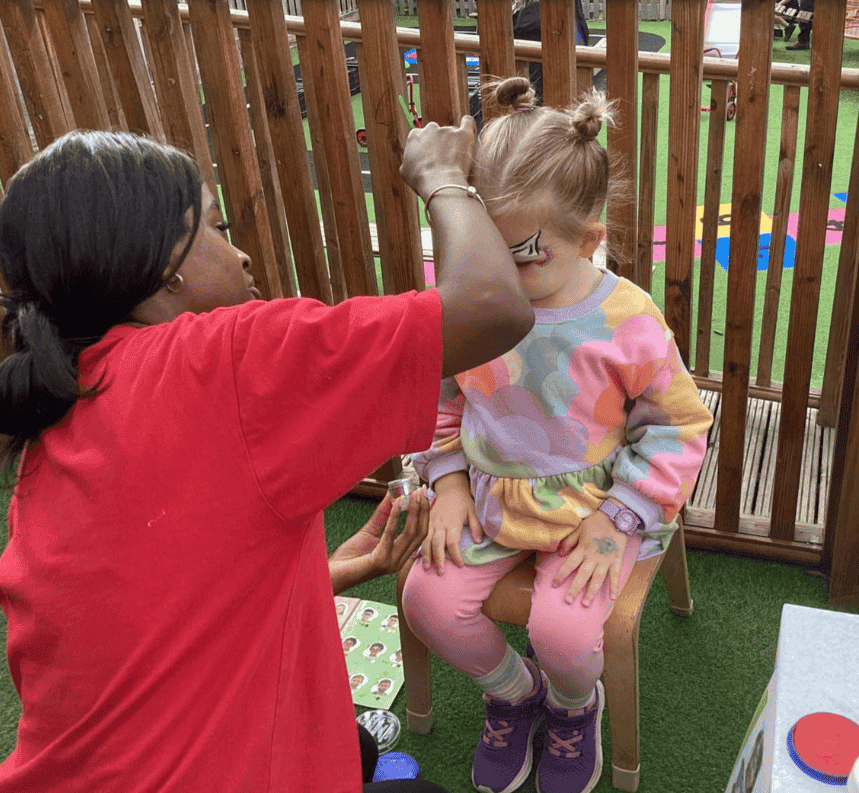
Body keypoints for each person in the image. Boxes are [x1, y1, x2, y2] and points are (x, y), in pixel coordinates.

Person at [0, 120, 534, 793]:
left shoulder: (55, 419)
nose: (244, 256)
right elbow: (492, 306)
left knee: (358, 750)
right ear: (165, 273)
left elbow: (150, 631)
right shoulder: (220, 361)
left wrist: (320, 577)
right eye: (219, 230)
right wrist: (443, 177)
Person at [401, 77, 713, 793]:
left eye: (522, 254)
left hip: (591, 510)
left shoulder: (626, 320)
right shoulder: (467, 305)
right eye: (481, 246)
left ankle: (575, 706)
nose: (495, 273)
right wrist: (445, 479)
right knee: (425, 601)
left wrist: (618, 517)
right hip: (485, 499)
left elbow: (679, 425)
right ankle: (514, 693)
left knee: (566, 635)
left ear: (590, 239)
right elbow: (436, 399)